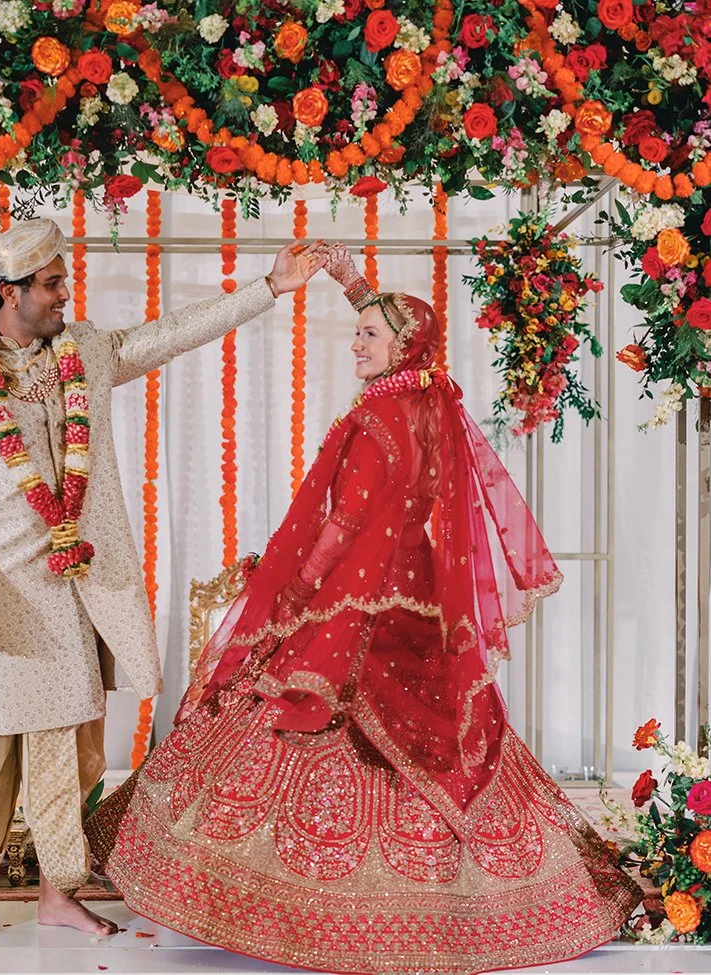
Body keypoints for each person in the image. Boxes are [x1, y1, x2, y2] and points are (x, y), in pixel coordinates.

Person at [86, 245, 641, 975]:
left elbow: (344, 525)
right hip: (415, 611)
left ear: (399, 347)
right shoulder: (429, 405)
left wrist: (288, 593)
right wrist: (353, 284)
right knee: (449, 737)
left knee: (297, 715)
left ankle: (293, 909)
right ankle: (502, 897)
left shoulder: (373, 422)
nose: (355, 343)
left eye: (367, 336)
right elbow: (398, 344)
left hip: (352, 609)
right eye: (356, 332)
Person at [0, 216, 327, 943]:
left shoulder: (86, 354)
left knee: (72, 751)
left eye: (61, 279)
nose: (63, 293)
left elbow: (167, 334)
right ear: (8, 292)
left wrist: (268, 287)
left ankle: (56, 890)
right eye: (49, 283)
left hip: (71, 590)